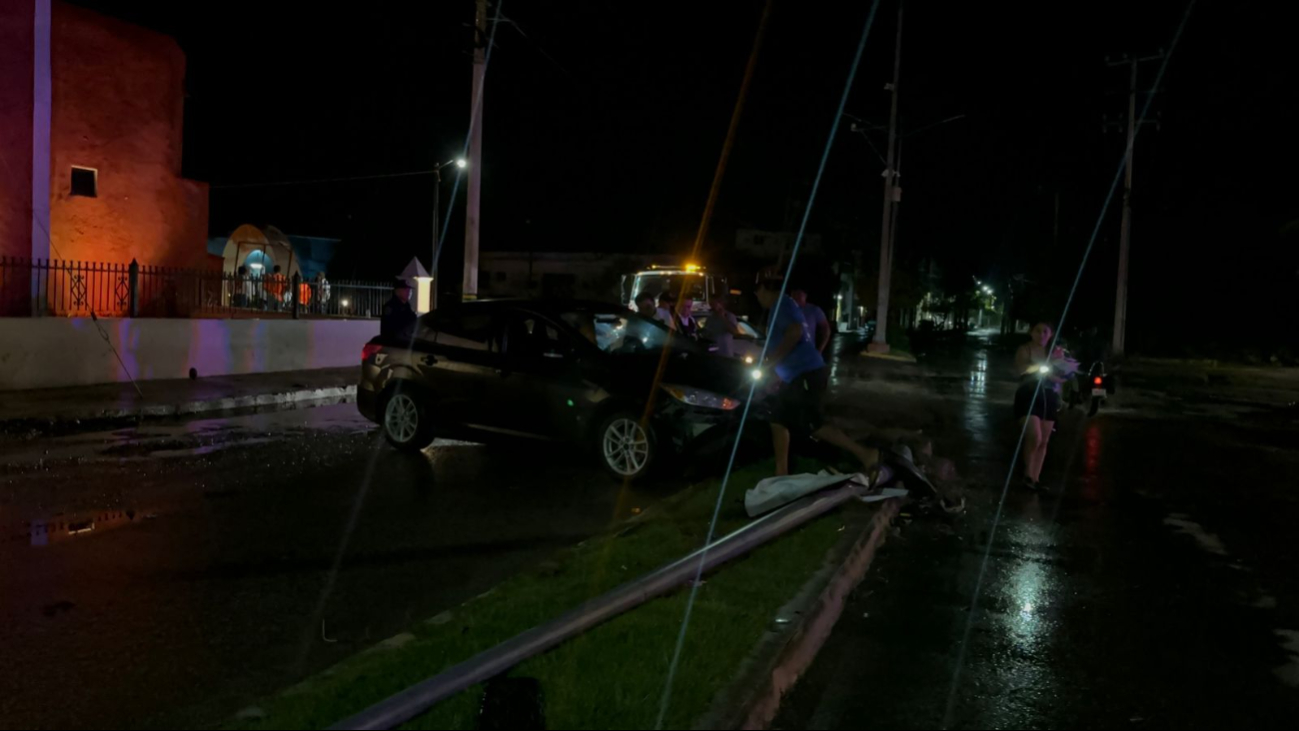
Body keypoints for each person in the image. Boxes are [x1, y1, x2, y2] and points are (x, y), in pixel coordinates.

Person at [755, 275, 880, 477]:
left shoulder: (781, 304)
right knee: (777, 419)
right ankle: (781, 473)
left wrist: (771, 363)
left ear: (764, 289)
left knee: (812, 424)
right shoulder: (780, 306)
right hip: (795, 376)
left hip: (807, 374)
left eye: (757, 291)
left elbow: (795, 332)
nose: (756, 297)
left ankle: (866, 454)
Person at [1013, 322, 1071, 490]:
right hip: (1028, 395)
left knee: (1044, 440)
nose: (1041, 335)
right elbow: (1021, 370)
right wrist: (1039, 366)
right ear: (1031, 333)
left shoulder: (1055, 352)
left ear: (1050, 334)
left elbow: (1062, 376)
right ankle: (1028, 474)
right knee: (1035, 436)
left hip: (1048, 397)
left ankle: (1035, 479)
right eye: (1037, 331)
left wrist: (1059, 365)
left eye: (1045, 331)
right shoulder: (1025, 349)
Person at [791, 289, 831, 354]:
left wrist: (820, 350)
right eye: (794, 294)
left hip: (808, 352)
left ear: (805, 295)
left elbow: (826, 329)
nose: (796, 296)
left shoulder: (813, 310)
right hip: (789, 353)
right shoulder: (787, 310)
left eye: (799, 293)